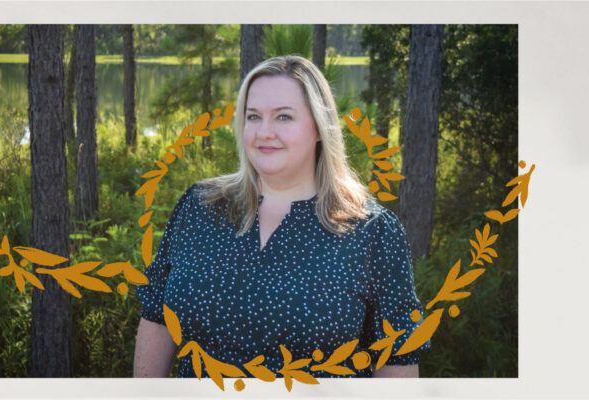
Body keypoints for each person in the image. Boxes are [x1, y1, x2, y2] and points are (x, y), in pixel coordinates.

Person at [134, 55, 427, 378]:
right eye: (254, 116)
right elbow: (157, 316)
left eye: (283, 117)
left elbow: (397, 356)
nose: (264, 132)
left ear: (319, 127)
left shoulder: (373, 231)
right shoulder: (200, 206)